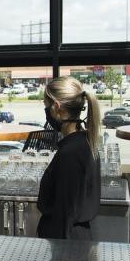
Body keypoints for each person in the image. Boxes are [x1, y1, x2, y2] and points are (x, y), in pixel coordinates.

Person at [36, 76, 102, 241]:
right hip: (77, 242)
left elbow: (65, 212)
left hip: (67, 248)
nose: (46, 113)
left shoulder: (70, 153)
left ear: (56, 107)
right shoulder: (86, 142)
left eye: (46, 106)